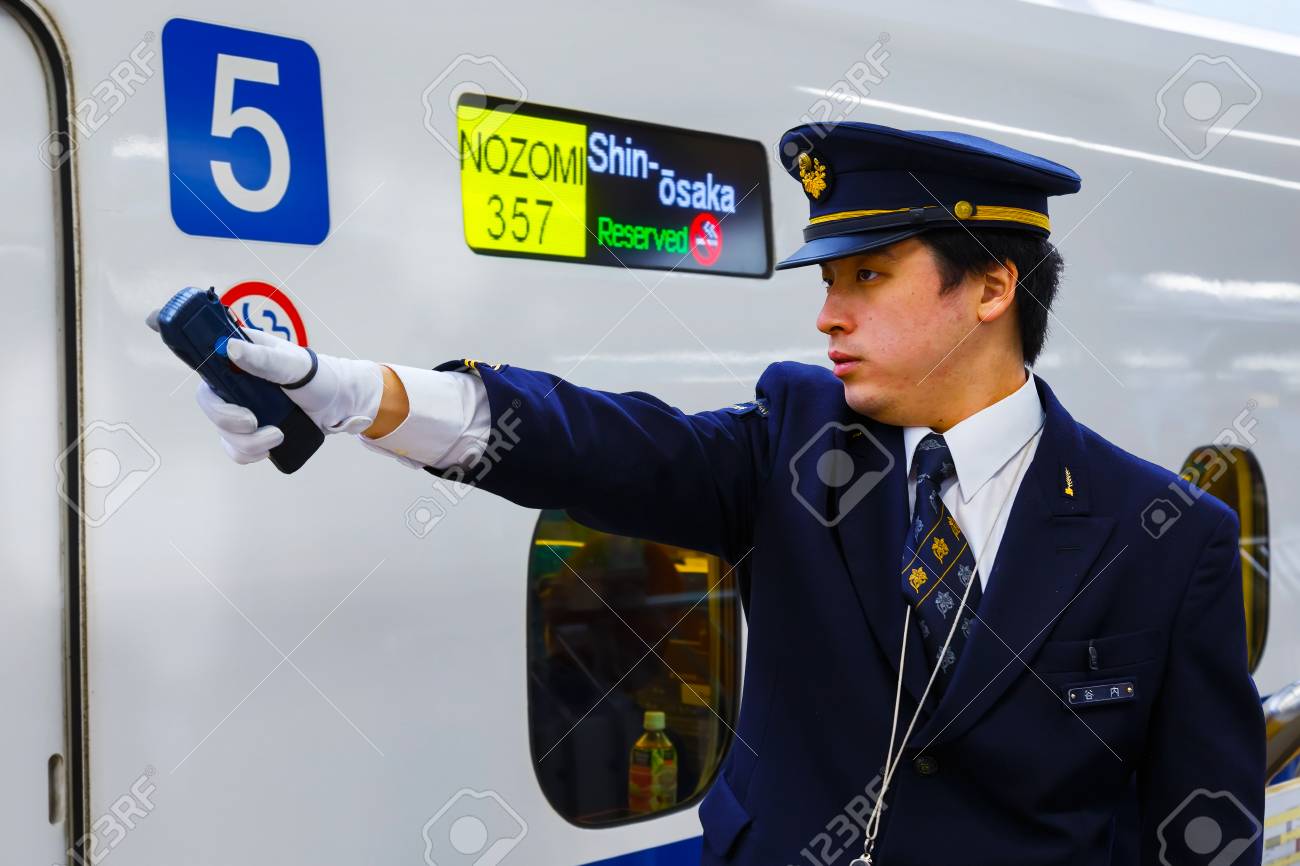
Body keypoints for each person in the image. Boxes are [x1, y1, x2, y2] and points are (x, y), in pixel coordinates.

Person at [157, 122, 1265, 865]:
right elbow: (595, 444)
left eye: (866, 277)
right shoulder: (793, 441)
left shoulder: (1163, 536)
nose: (828, 314)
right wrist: (357, 394)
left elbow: (1200, 822)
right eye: (828, 280)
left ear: (989, 287)